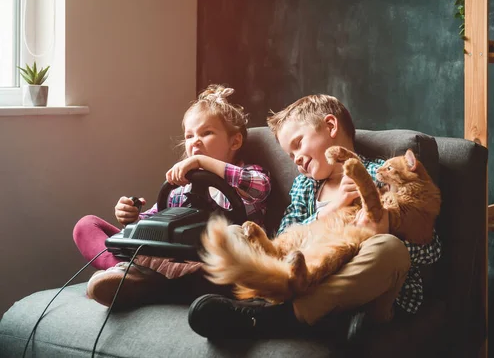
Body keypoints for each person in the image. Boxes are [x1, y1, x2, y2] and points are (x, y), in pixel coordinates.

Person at [187, 94, 443, 342]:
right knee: (236, 234)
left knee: (390, 249)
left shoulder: (382, 173)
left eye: (298, 144)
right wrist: (331, 208)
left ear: (331, 126)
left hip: (365, 292)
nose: (296, 158)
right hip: (302, 275)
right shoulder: (304, 187)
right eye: (290, 155)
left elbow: (431, 251)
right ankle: (315, 319)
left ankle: (279, 315)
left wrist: (386, 227)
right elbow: (285, 238)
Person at [72, 84, 271, 307]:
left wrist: (201, 162)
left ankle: (148, 281)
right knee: (85, 225)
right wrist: (131, 216)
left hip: (212, 263)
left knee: (230, 271)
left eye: (206, 133)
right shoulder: (180, 188)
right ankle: (132, 276)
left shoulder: (251, 175)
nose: (195, 141)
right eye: (189, 136)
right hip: (168, 256)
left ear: (234, 141)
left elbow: (259, 187)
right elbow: (153, 225)